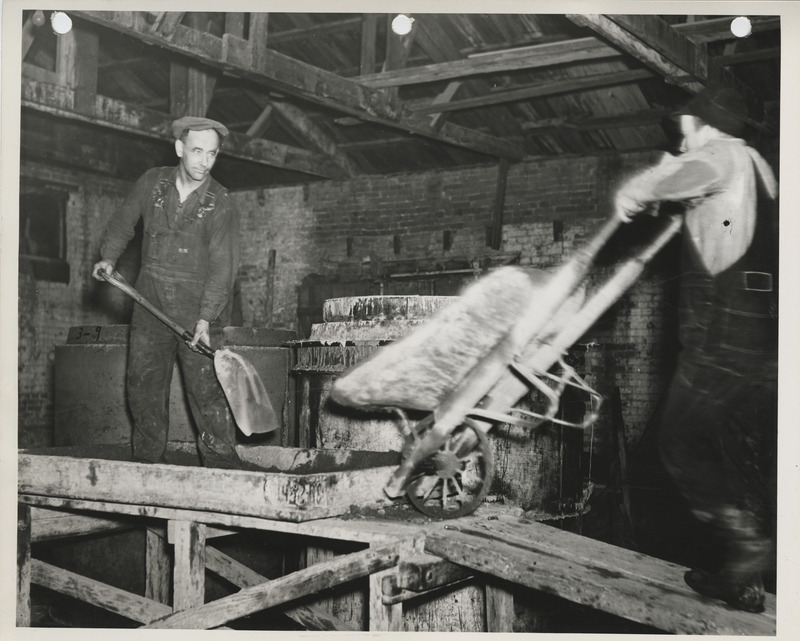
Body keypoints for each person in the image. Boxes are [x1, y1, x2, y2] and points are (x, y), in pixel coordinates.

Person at [614, 87, 778, 613]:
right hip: (764, 335)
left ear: (697, 122)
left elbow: (692, 176)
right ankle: (744, 578)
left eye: (684, 123)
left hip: (723, 335)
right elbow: (719, 213)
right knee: (737, 455)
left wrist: (642, 186)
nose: (679, 131)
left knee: (680, 441)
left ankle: (748, 547)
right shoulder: (759, 166)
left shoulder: (720, 154)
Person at [92, 116, 242, 469]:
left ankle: (222, 473)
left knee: (207, 393)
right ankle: (147, 468)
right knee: (143, 388)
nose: (204, 162)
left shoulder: (221, 203)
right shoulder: (151, 183)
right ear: (179, 148)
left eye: (212, 154)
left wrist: (206, 319)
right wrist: (108, 258)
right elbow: (122, 222)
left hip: (199, 314)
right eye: (197, 151)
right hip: (150, 307)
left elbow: (224, 269)